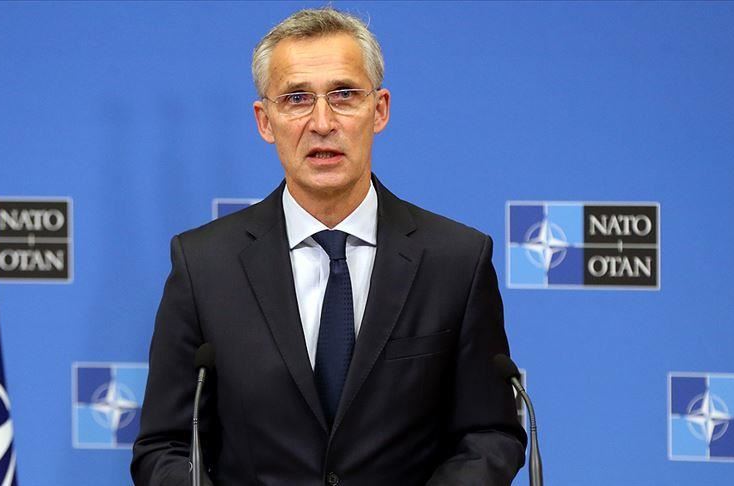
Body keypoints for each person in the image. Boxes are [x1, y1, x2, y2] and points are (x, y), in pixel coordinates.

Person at [132, 7, 526, 486]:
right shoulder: (204, 265)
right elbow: (165, 447)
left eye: (344, 95)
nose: (322, 122)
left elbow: (490, 435)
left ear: (379, 110)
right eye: (297, 98)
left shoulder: (456, 260)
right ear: (265, 120)